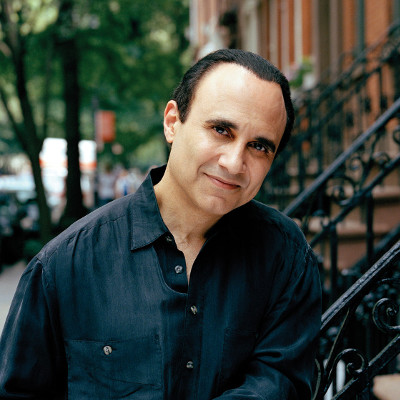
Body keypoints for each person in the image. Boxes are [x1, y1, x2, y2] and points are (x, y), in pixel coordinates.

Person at [0, 49, 321, 399]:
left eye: (259, 146)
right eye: (221, 130)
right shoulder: (63, 266)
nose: (233, 163)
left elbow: (282, 380)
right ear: (172, 122)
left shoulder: (286, 256)